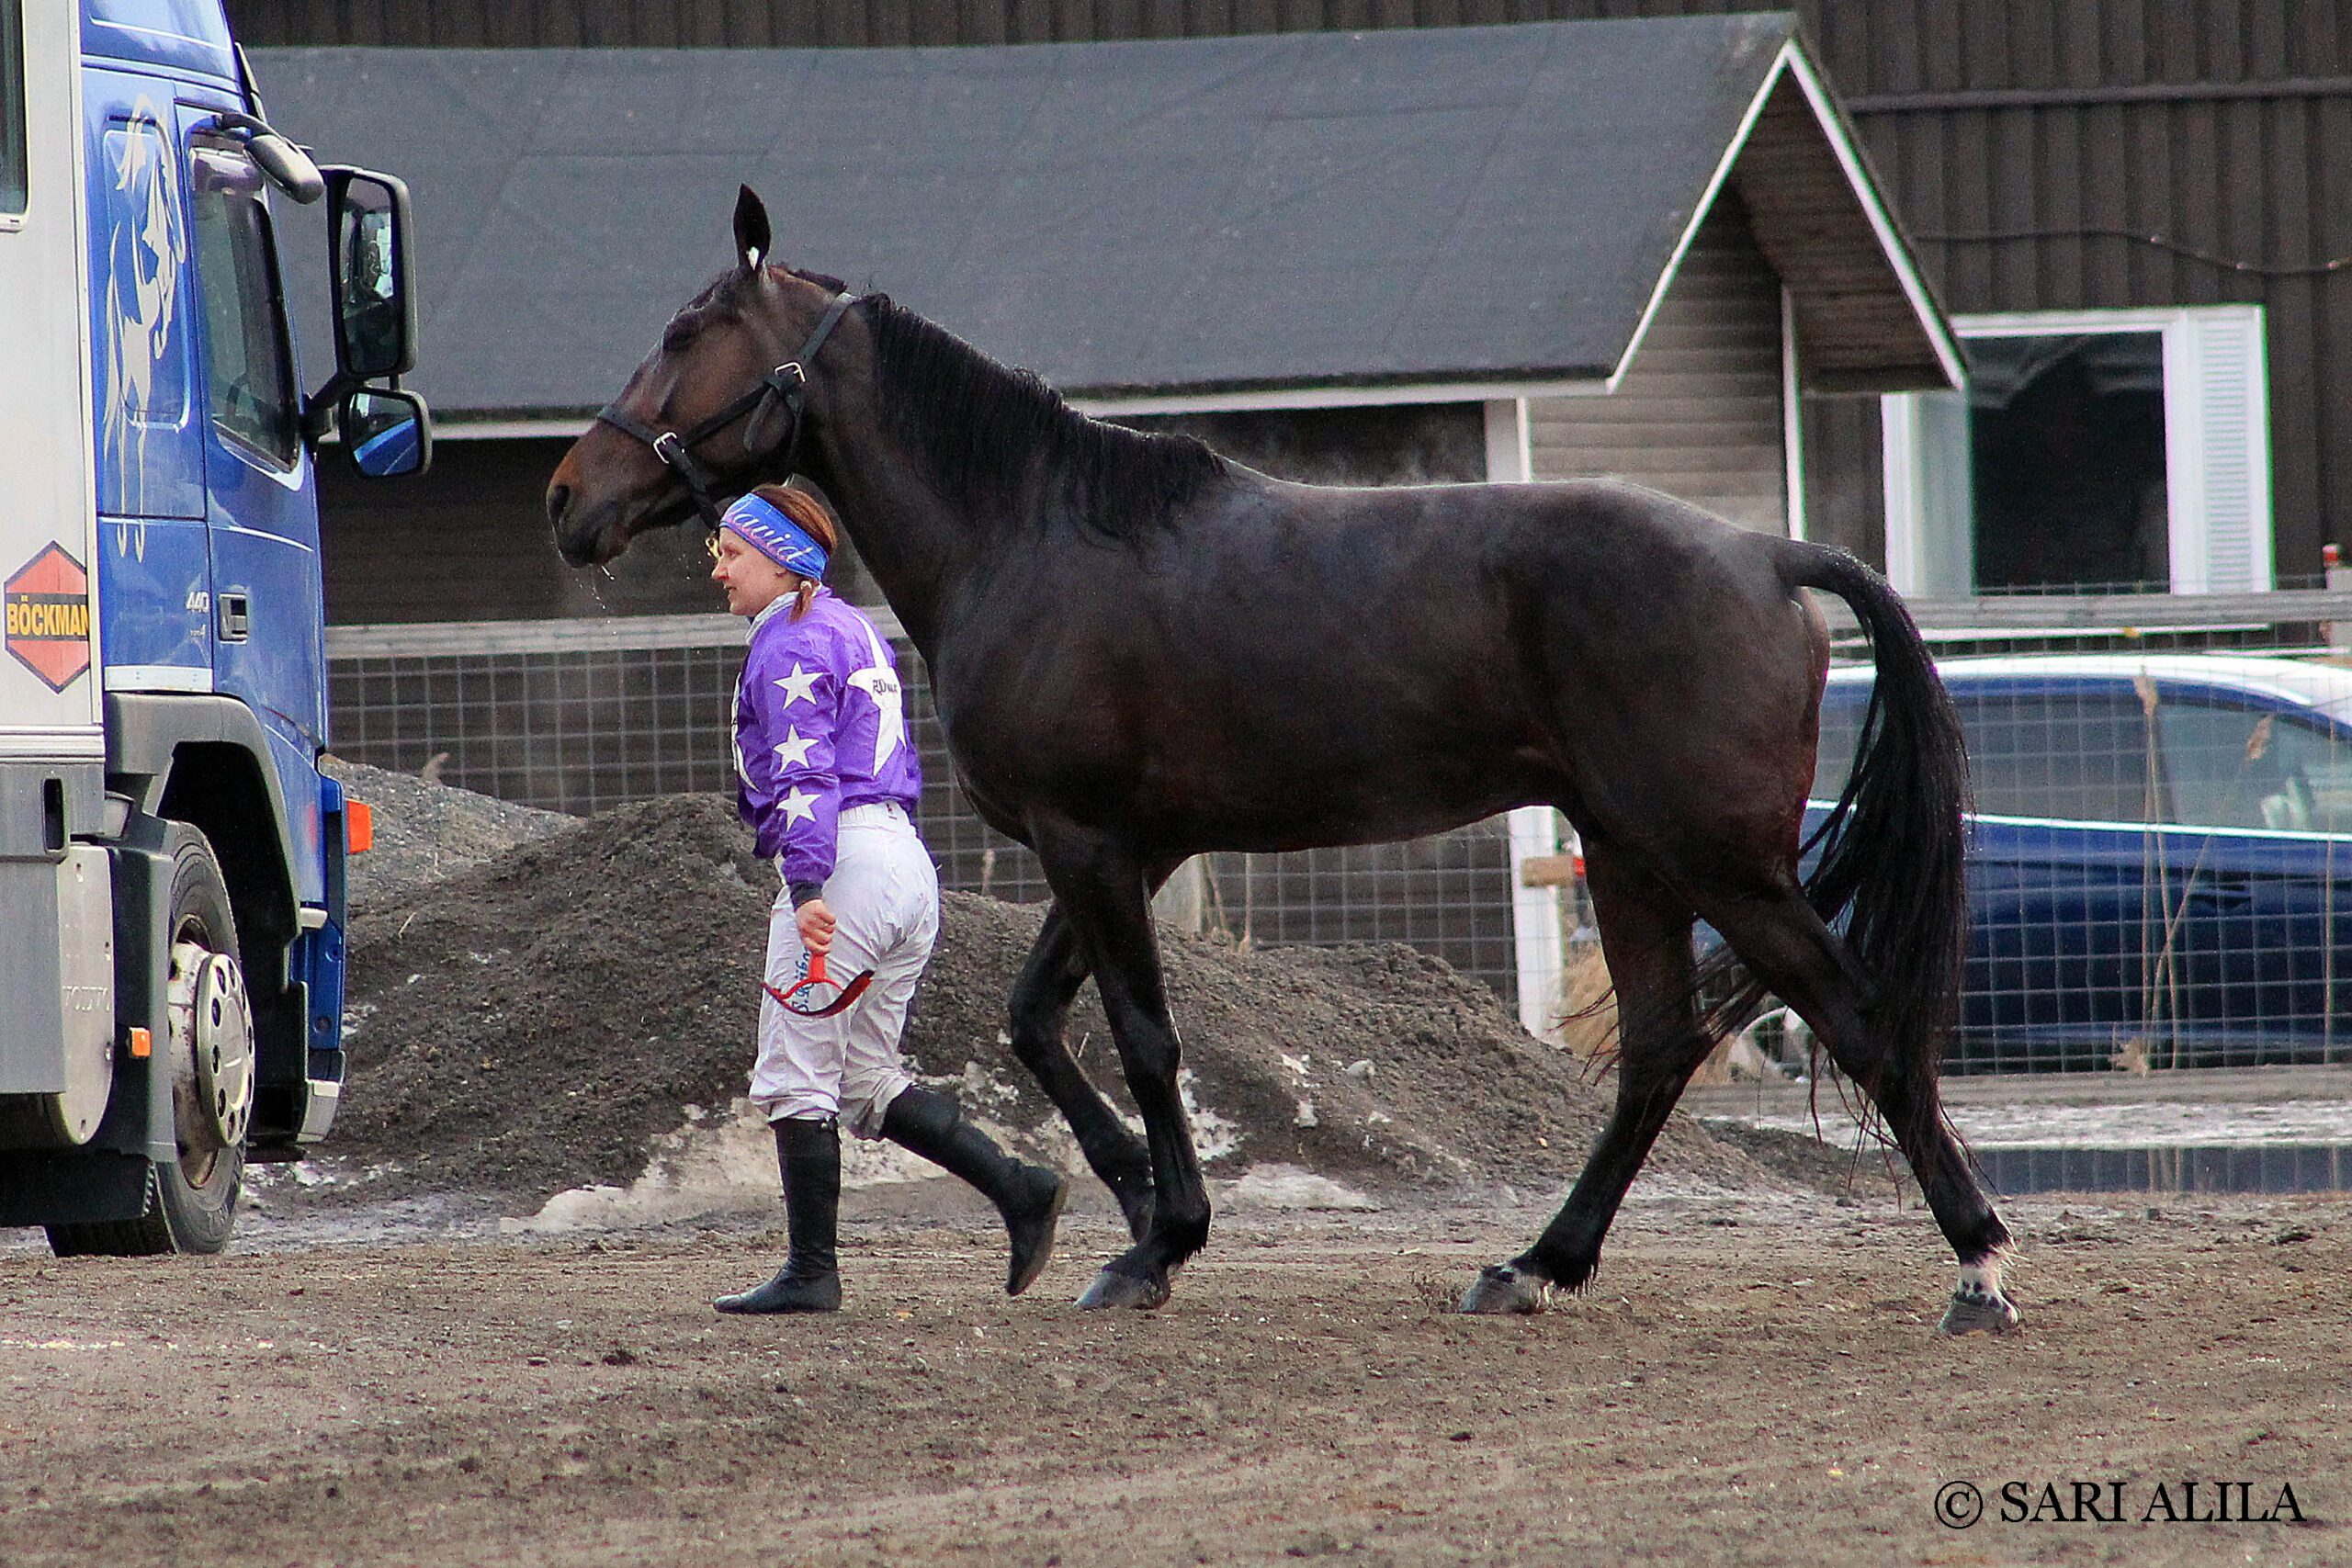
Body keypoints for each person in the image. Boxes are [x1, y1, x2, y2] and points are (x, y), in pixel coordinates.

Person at [708, 483, 1067, 1314]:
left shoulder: (789, 642)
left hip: (843, 865)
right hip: (903, 861)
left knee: (795, 1072)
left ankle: (811, 1271)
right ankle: (1018, 1187)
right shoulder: (850, 625)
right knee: (865, 1078)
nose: (720, 571)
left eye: (732, 554)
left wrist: (805, 885)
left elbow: (804, 773)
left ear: (781, 560)